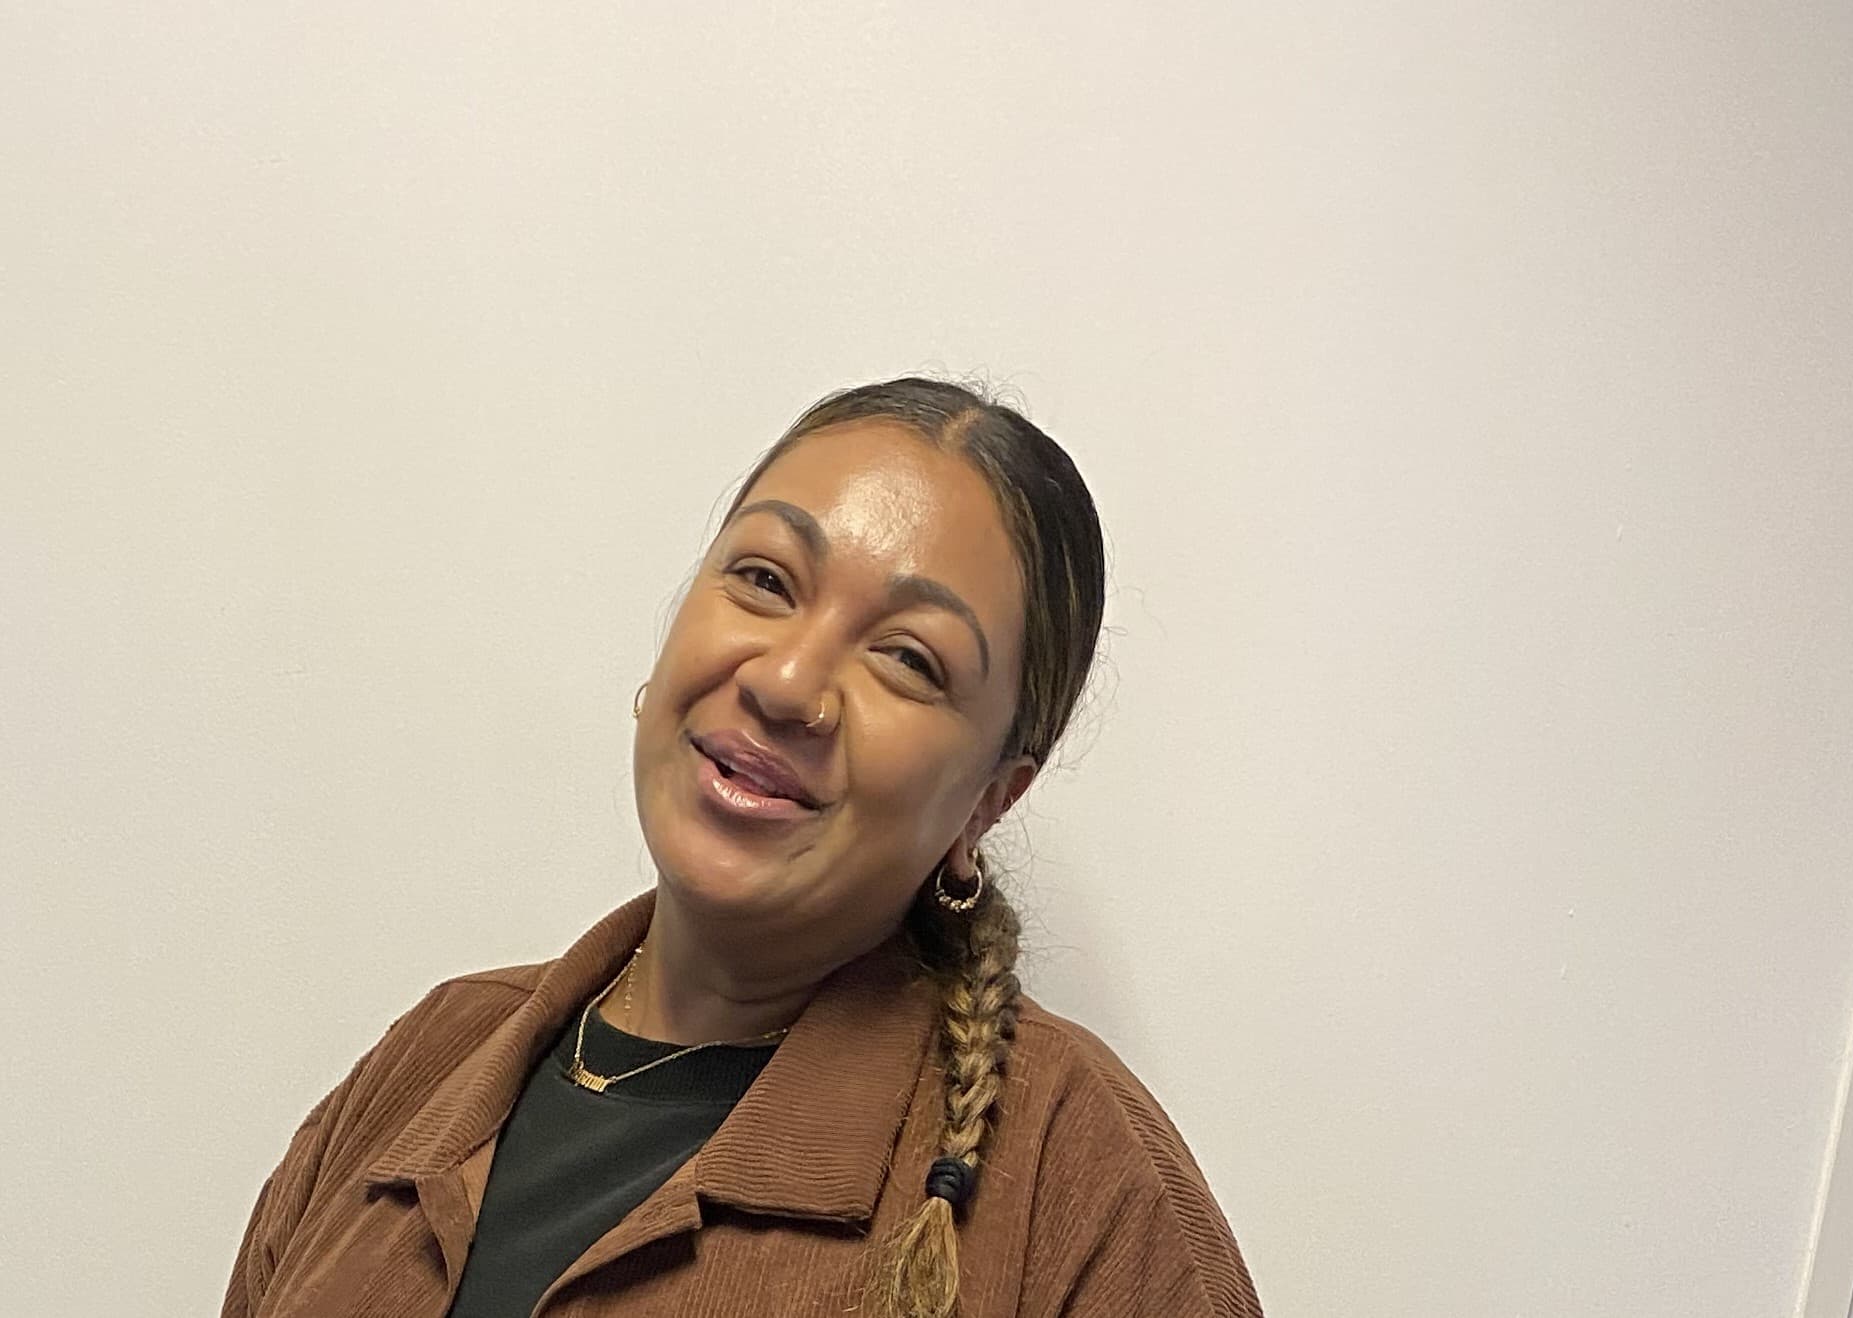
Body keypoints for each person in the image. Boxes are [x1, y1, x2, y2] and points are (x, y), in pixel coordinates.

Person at [222, 377, 1262, 1318]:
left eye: (907, 657)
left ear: (987, 800)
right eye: (764, 580)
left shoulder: (1081, 1184)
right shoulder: (427, 1060)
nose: (784, 682)